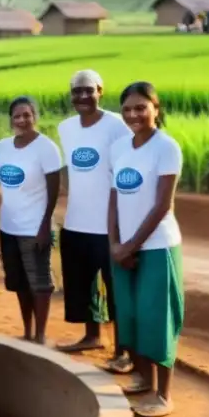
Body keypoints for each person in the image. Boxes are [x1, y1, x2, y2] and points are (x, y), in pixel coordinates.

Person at [108, 82, 185, 417]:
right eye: (127, 109)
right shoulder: (119, 148)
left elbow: (162, 205)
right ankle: (142, 378)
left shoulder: (166, 148)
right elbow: (113, 199)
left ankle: (164, 395)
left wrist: (131, 246)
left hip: (157, 246)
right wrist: (114, 243)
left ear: (156, 108)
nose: (133, 115)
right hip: (124, 247)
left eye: (141, 108)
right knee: (131, 315)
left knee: (158, 317)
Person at [56, 69, 132, 373]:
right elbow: (67, 166)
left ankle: (123, 350)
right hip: (76, 220)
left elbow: (129, 166)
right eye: (77, 91)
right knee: (81, 285)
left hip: (109, 224)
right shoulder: (65, 128)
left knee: (115, 290)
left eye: (89, 90)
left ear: (101, 90)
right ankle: (91, 337)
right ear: (71, 95)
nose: (83, 96)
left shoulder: (117, 126)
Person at [0, 96, 62, 344]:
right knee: (19, 282)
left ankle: (41, 334)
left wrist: (45, 224)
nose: (22, 120)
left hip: (35, 227)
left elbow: (55, 189)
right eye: (17, 116)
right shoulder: (3, 146)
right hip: (8, 226)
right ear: (11, 120)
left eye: (27, 115)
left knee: (40, 283)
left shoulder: (46, 148)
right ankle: (27, 330)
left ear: (35, 116)